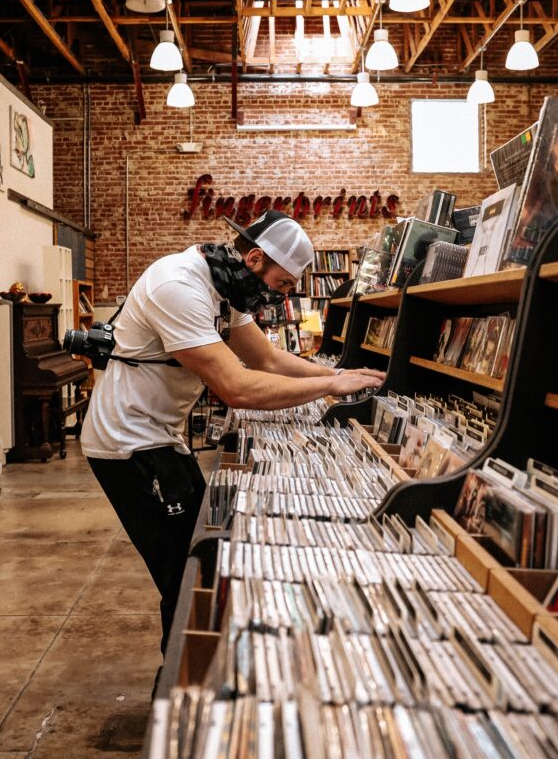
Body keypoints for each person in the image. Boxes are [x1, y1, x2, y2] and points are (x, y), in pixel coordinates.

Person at [80, 210, 385, 665]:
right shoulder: (179, 286)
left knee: (202, 555)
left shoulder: (227, 286)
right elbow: (237, 388)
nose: (282, 297)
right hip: (129, 443)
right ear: (256, 258)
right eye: (282, 285)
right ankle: (183, 683)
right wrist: (328, 386)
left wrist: (338, 373)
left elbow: (268, 360)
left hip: (159, 434)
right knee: (188, 570)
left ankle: (191, 668)